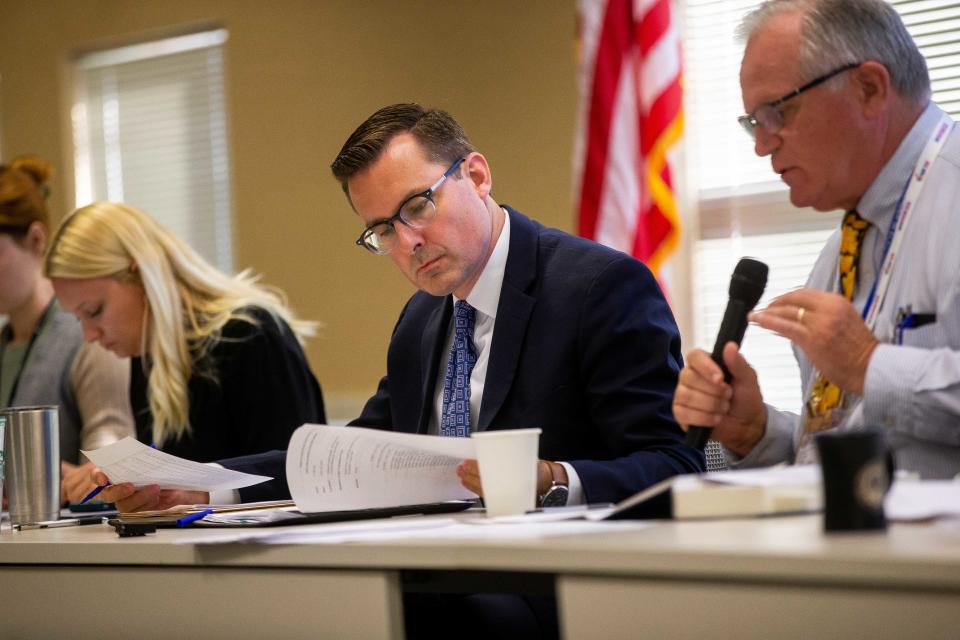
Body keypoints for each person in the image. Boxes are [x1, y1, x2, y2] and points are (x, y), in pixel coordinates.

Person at [672, 0, 960, 476]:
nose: (762, 145)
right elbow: (852, 441)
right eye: (753, 123)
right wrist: (757, 432)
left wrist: (871, 365)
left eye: (777, 113)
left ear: (869, 89)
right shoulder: (840, 253)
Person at [44, 201, 326, 506]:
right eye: (79, 318)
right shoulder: (146, 358)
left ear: (142, 277)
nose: (89, 335)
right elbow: (169, 488)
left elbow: (300, 474)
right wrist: (113, 481)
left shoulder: (250, 335)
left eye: (94, 311)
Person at [0, 155, 133, 504]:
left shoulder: (91, 335)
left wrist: (39, 480)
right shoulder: (6, 344)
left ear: (36, 239)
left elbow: (113, 458)